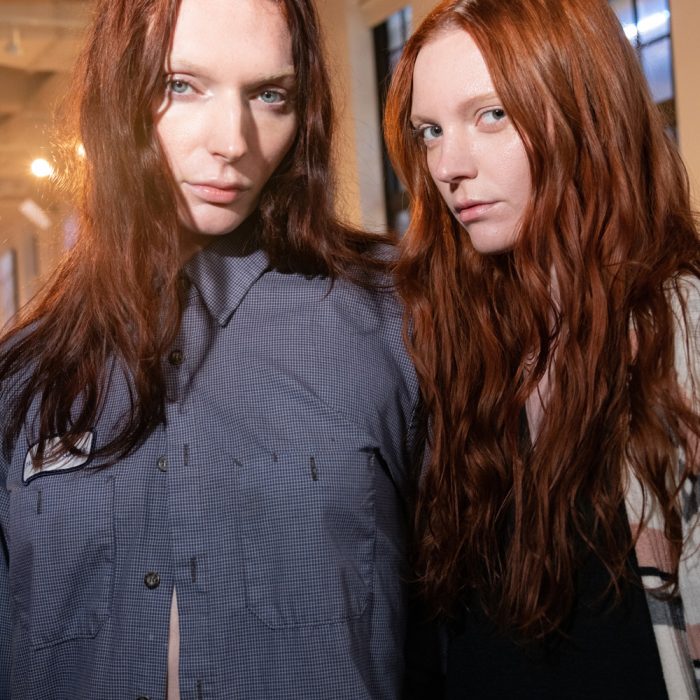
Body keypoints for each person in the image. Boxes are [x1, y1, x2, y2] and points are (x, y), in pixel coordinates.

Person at [0, 0, 420, 697]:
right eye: (182, 85)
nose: (233, 141)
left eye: (269, 95)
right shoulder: (25, 373)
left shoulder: (392, 320)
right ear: (117, 93)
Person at [384, 0, 700, 697]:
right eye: (430, 131)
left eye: (491, 115)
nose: (449, 166)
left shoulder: (680, 332)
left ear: (587, 111)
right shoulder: (452, 341)